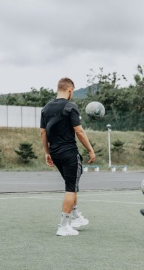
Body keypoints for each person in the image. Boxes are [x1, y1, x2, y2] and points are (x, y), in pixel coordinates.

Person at [40, 77, 96, 237]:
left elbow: (43, 132)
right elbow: (79, 131)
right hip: (69, 153)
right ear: (70, 90)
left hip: (55, 153)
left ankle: (76, 217)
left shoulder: (45, 109)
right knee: (71, 188)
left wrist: (47, 152)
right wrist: (90, 150)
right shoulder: (70, 106)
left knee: (72, 183)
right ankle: (63, 225)